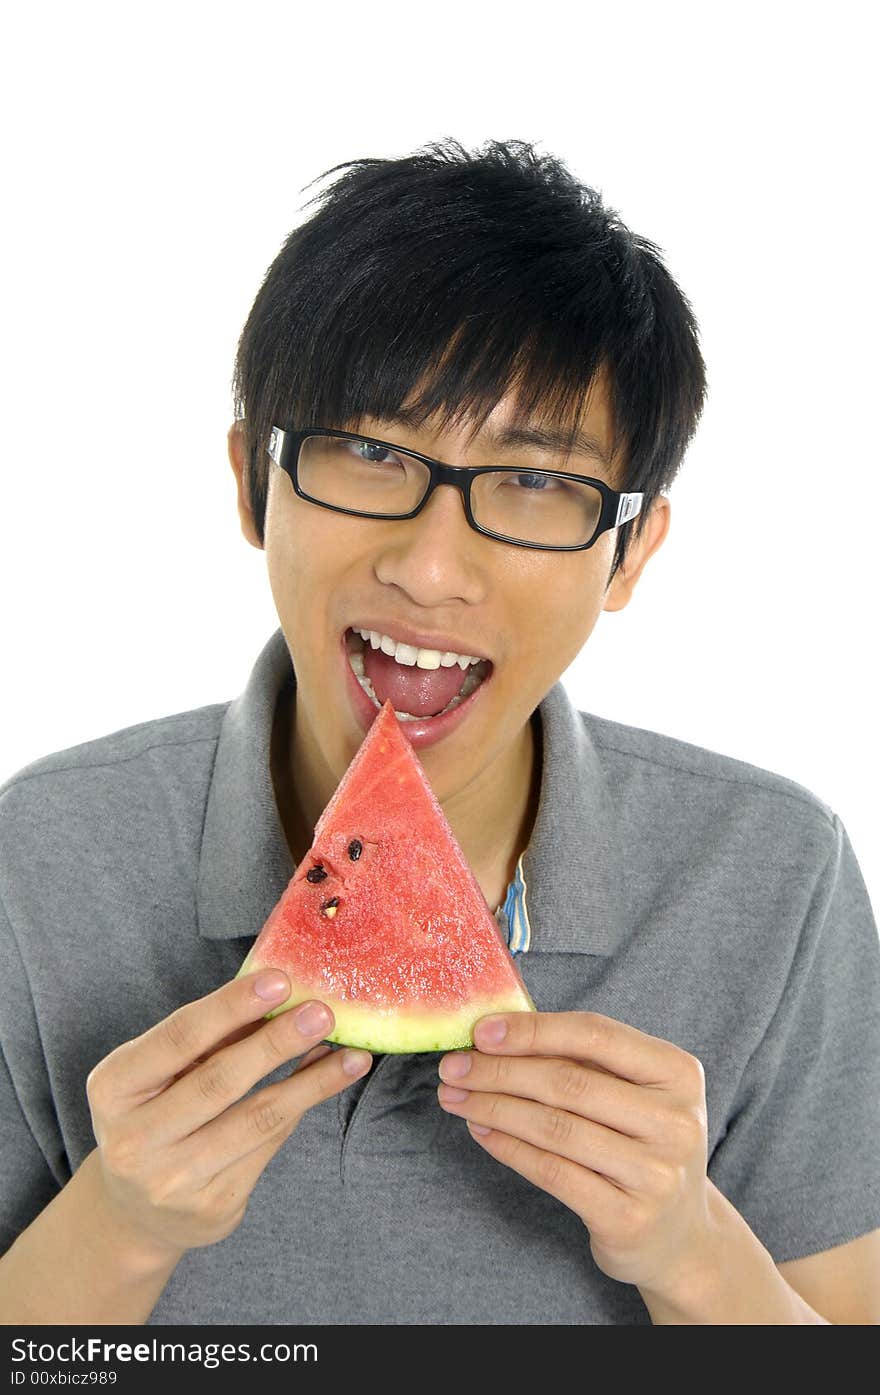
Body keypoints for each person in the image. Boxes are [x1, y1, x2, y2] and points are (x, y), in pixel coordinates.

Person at [1, 137, 878, 1328]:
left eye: (535, 484)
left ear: (630, 555)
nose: (429, 567)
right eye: (368, 453)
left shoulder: (775, 875)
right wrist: (118, 1227)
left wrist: (691, 1251)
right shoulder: (39, 858)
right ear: (253, 485)